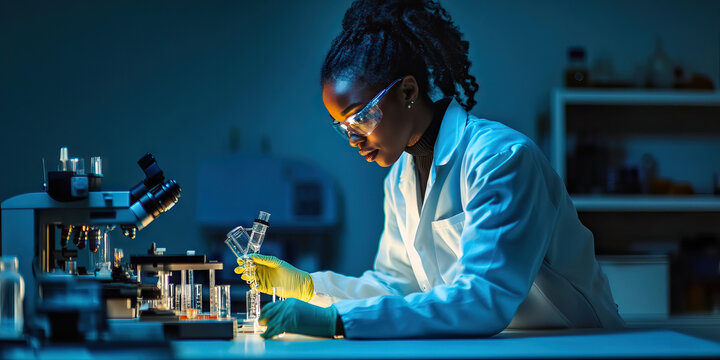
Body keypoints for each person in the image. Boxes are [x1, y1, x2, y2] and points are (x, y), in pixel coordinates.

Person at [236, 0, 624, 339]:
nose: (354, 139)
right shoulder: (400, 178)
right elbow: (399, 286)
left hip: (577, 343)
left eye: (361, 118)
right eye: (344, 129)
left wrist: (337, 320)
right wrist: (308, 287)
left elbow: (482, 297)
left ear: (408, 92)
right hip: (496, 343)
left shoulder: (501, 158)